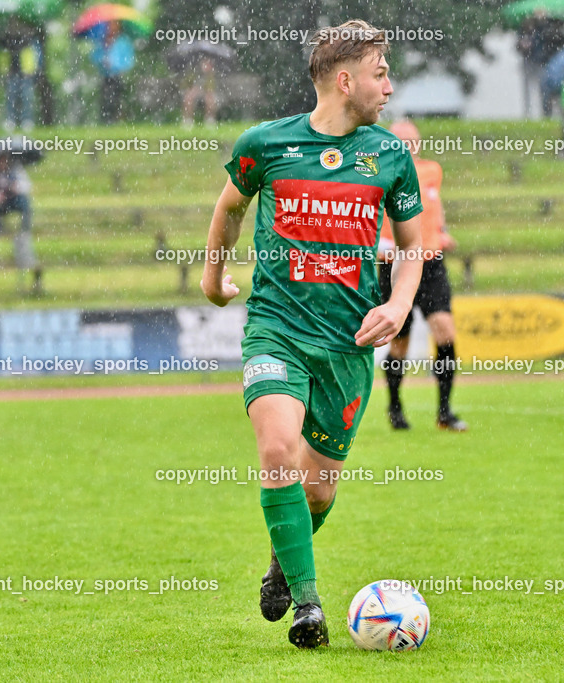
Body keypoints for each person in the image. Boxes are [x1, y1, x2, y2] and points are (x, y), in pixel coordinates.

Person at [200, 20, 423, 649]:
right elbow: (229, 208)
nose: (389, 83)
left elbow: (413, 247)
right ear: (345, 80)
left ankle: (282, 563)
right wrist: (213, 281)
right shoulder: (265, 145)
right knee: (277, 453)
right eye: (381, 71)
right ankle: (309, 605)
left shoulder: (389, 155)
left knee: (319, 489)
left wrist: (400, 304)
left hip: (348, 345)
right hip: (276, 330)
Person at [378, 120, 467, 432]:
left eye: (413, 140)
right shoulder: (380, 173)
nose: (409, 145)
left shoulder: (432, 170)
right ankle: (394, 406)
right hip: (396, 263)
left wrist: (442, 231)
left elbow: (434, 202)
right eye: (402, 140)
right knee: (399, 342)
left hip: (430, 261)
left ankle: (444, 412)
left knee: (445, 332)